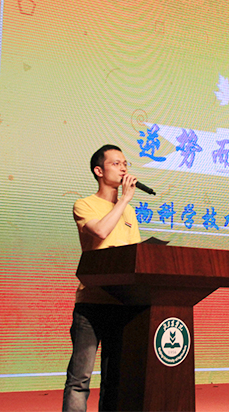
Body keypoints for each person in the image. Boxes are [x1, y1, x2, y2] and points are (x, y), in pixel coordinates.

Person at [62, 144, 143, 412]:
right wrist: (124, 200)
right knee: (80, 379)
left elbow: (136, 255)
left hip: (121, 302)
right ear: (99, 171)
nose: (123, 168)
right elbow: (100, 231)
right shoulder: (84, 204)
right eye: (116, 163)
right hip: (92, 301)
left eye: (125, 164)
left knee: (114, 379)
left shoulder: (129, 212)